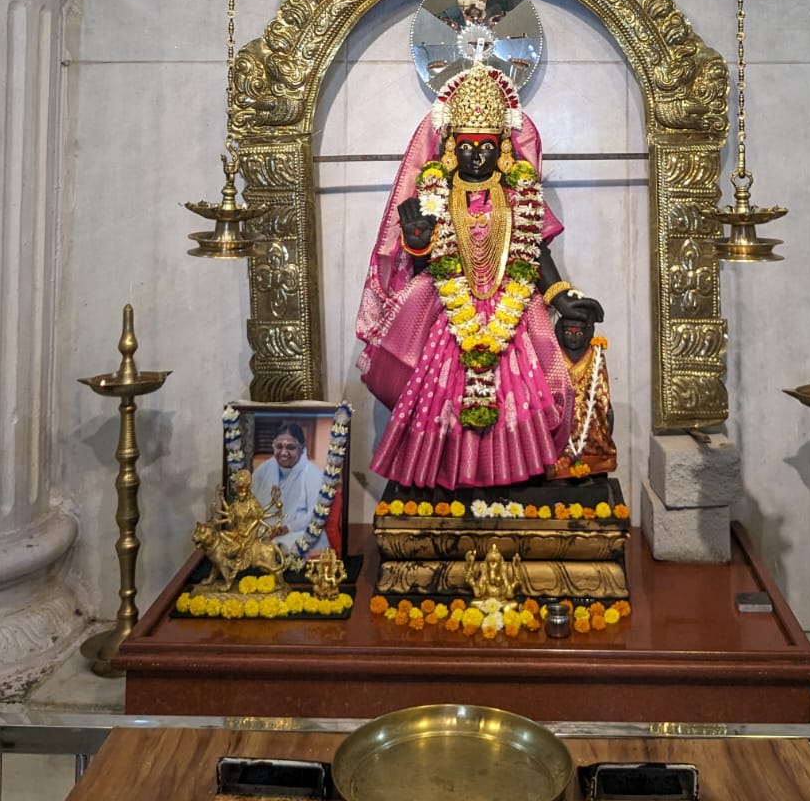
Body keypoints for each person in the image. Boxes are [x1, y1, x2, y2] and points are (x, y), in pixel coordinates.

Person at [356, 59, 601, 490]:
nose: (476, 155)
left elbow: (535, 249)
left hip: (512, 311)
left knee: (525, 394)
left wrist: (561, 296)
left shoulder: (517, 194)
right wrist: (417, 242)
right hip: (448, 314)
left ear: (503, 148)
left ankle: (510, 484)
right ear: (451, 148)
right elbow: (423, 262)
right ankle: (443, 481)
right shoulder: (435, 193)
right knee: (439, 396)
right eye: (467, 146)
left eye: (486, 146)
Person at [548, 308, 616, 480]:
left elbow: (601, 388)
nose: (573, 337)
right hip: (562, 415)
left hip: (590, 416)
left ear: (587, 334)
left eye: (578, 333)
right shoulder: (554, 354)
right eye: (568, 332)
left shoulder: (595, 353)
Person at [251, 420, 325, 554]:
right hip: (265, 532)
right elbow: (251, 505)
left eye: (290, 447)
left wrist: (284, 529)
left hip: (299, 532)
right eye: (279, 446)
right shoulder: (263, 470)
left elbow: (315, 515)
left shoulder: (312, 473)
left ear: (301, 448)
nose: (284, 452)